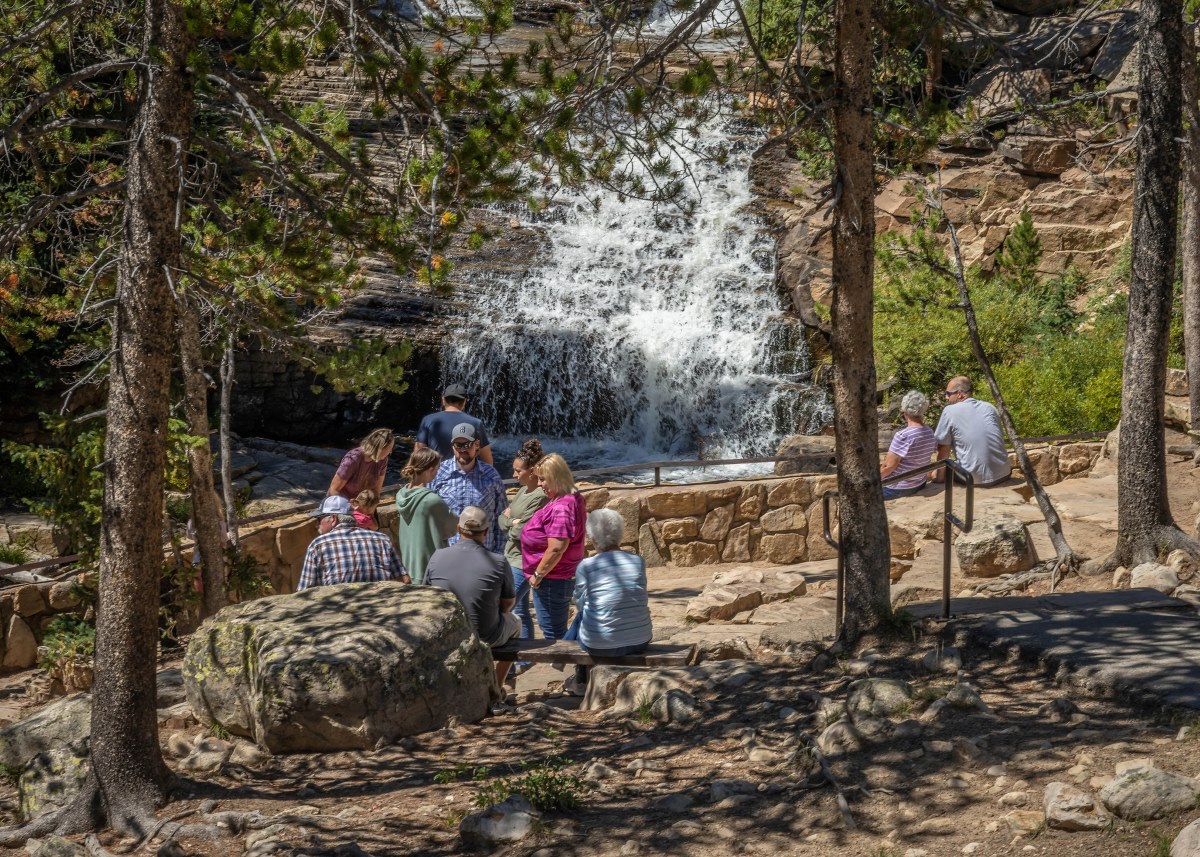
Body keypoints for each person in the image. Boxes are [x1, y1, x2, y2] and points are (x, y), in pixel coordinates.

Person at [426, 506, 519, 688]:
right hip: (485, 634)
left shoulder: (437, 556)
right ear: (486, 531)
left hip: (446, 632)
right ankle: (497, 686)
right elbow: (508, 603)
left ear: (459, 529)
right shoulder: (498, 561)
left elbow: (428, 596)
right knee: (516, 623)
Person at [563, 508, 652, 694]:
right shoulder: (638, 561)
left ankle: (581, 681)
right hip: (640, 639)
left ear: (593, 539)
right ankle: (577, 676)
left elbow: (579, 603)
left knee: (582, 617)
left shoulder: (587, 565)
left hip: (600, 645)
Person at [520, 453, 587, 641]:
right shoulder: (571, 497)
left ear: (556, 477)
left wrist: (537, 575)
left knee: (553, 634)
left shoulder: (562, 507)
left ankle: (575, 667)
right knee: (557, 631)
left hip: (551, 579)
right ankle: (579, 667)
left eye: (543, 479)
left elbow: (557, 547)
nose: (540, 484)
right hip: (557, 577)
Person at [498, 439, 548, 672]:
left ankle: (521, 655)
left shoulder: (540, 495)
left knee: (508, 605)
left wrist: (511, 521)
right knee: (520, 609)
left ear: (533, 471)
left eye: (518, 470)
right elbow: (502, 519)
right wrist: (510, 521)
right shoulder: (522, 492)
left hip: (523, 560)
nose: (514, 474)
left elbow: (523, 530)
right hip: (512, 556)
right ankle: (525, 656)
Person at [298, 495, 409, 590]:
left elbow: (305, 591)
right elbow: (403, 579)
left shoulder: (318, 545)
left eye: (319, 520)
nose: (317, 525)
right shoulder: (382, 539)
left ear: (333, 518)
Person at [429, 423, 507, 553]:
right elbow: (429, 516)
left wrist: (498, 554)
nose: (462, 449)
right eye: (458, 445)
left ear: (477, 445)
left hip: (484, 555)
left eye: (467, 444)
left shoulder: (491, 476)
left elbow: (502, 517)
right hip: (449, 555)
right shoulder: (439, 474)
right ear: (452, 446)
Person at [932, 376, 1012, 487]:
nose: (946, 397)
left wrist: (938, 477)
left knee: (942, 469)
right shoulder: (989, 407)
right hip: (1004, 473)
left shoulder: (949, 411)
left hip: (972, 479)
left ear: (960, 394)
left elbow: (943, 448)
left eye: (948, 393)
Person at [394, 448, 458, 584]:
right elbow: (454, 526)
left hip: (409, 566)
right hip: (430, 570)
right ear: (431, 469)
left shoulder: (401, 495)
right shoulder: (431, 500)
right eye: (437, 468)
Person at [414, 383, 494, 465]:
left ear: (443, 400)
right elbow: (487, 461)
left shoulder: (428, 420)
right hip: (466, 476)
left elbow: (418, 454)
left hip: (436, 475)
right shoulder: (476, 423)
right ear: (464, 401)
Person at [880, 390, 939, 500]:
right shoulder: (929, 432)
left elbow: (888, 467)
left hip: (896, 487)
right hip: (919, 483)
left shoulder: (903, 435)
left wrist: (875, 482)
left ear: (904, 410)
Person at [329, 428, 394, 501]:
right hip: (341, 503)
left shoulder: (383, 460)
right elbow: (334, 490)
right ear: (380, 447)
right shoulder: (353, 459)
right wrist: (349, 508)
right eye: (389, 448)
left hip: (363, 504)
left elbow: (376, 491)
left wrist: (371, 509)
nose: (391, 451)